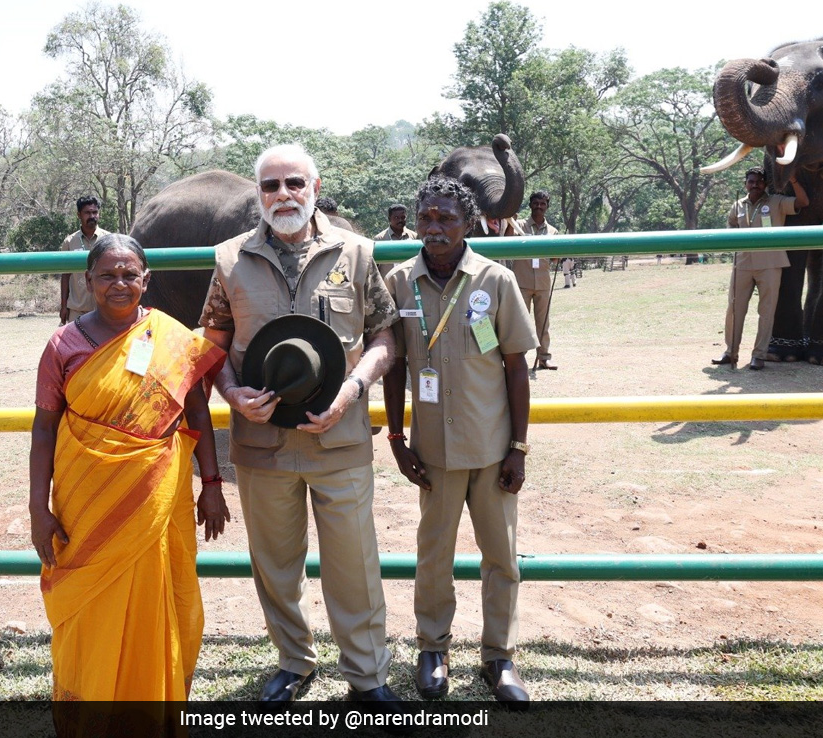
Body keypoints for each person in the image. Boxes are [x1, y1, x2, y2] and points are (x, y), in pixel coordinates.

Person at [199, 144, 402, 704]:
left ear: (315, 187)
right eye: (271, 185)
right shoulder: (229, 260)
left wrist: (353, 389)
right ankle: (294, 660)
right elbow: (212, 346)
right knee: (276, 564)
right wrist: (232, 394)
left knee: (355, 563)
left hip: (339, 436)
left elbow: (385, 338)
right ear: (258, 194)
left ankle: (367, 675)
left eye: (294, 183)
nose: (283, 195)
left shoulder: (356, 253)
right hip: (261, 442)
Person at [30, 234, 229, 705]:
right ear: (88, 281)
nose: (118, 284)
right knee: (90, 599)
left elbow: (196, 413)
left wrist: (212, 484)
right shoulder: (63, 344)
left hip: (157, 494)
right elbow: (44, 427)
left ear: (146, 279)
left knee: (160, 592)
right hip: (85, 500)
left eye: (129, 275)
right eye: (107, 275)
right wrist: (38, 508)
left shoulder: (171, 338)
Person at [382, 176, 538, 704]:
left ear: (468, 223)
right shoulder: (399, 282)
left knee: (501, 557)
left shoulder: (496, 280)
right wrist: (397, 438)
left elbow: (516, 367)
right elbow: (394, 365)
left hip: (492, 450)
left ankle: (500, 657)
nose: (435, 228)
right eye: (426, 217)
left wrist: (518, 448)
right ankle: (433, 649)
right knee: (434, 556)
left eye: (446, 218)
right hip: (433, 453)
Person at [712, 167, 809, 370]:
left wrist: (793, 180)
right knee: (734, 309)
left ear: (765, 184)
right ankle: (730, 352)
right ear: (745, 184)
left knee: (767, 311)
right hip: (742, 264)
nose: (755, 185)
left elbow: (803, 202)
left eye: (759, 181)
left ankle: (759, 355)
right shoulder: (738, 205)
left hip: (770, 264)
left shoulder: (777, 202)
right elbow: (731, 226)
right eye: (751, 181)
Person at [509, 191, 559, 371]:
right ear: (530, 205)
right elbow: (507, 242)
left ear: (547, 206)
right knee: (520, 323)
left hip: (543, 284)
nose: (539, 206)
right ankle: (518, 359)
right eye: (536, 203)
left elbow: (555, 258)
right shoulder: (519, 226)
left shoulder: (553, 231)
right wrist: (510, 221)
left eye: (542, 204)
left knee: (543, 323)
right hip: (521, 282)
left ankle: (544, 357)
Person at [58, 196, 109, 325]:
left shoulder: (109, 239)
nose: (92, 216)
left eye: (95, 212)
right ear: (79, 215)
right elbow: (65, 276)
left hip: (103, 309)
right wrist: (63, 306)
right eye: (87, 213)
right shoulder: (69, 242)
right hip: (77, 309)